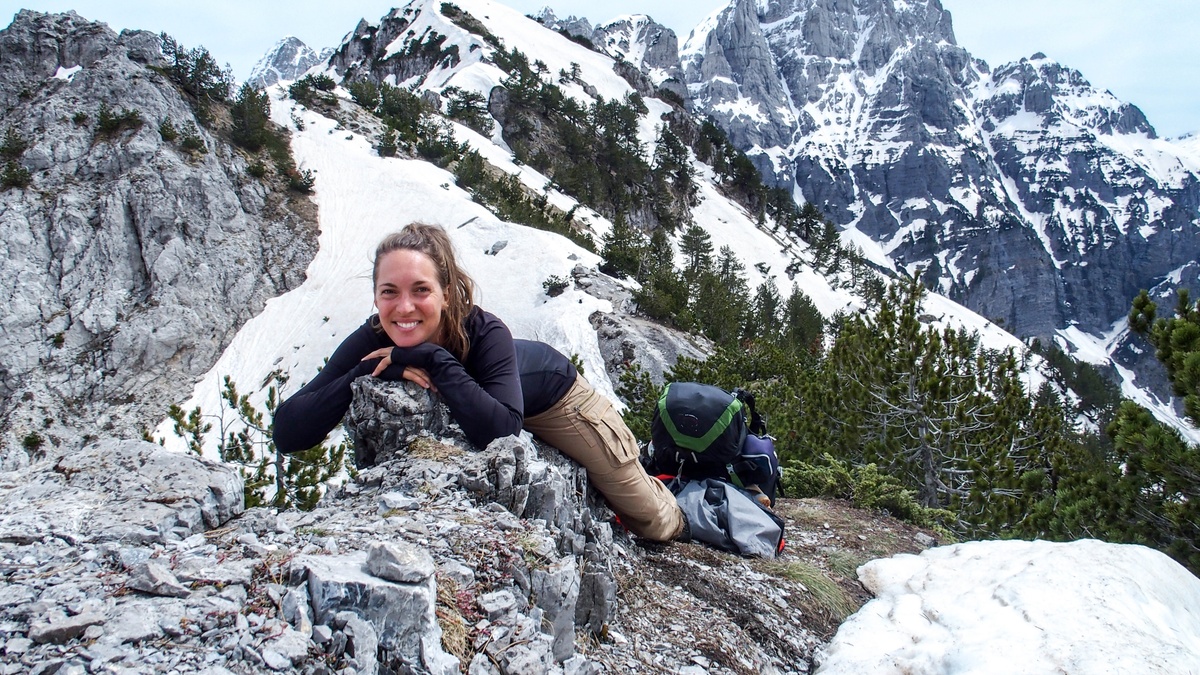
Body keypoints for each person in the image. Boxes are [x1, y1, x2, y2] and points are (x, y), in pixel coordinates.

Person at [273, 223, 685, 541]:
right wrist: (363, 371)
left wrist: (430, 357)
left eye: (421, 290)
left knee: (650, 519)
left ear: (447, 293)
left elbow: (503, 429)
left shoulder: (485, 331)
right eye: (389, 292)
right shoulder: (374, 339)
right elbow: (289, 430)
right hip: (505, 398)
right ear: (376, 296)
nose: (404, 307)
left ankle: (688, 501)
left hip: (561, 403)